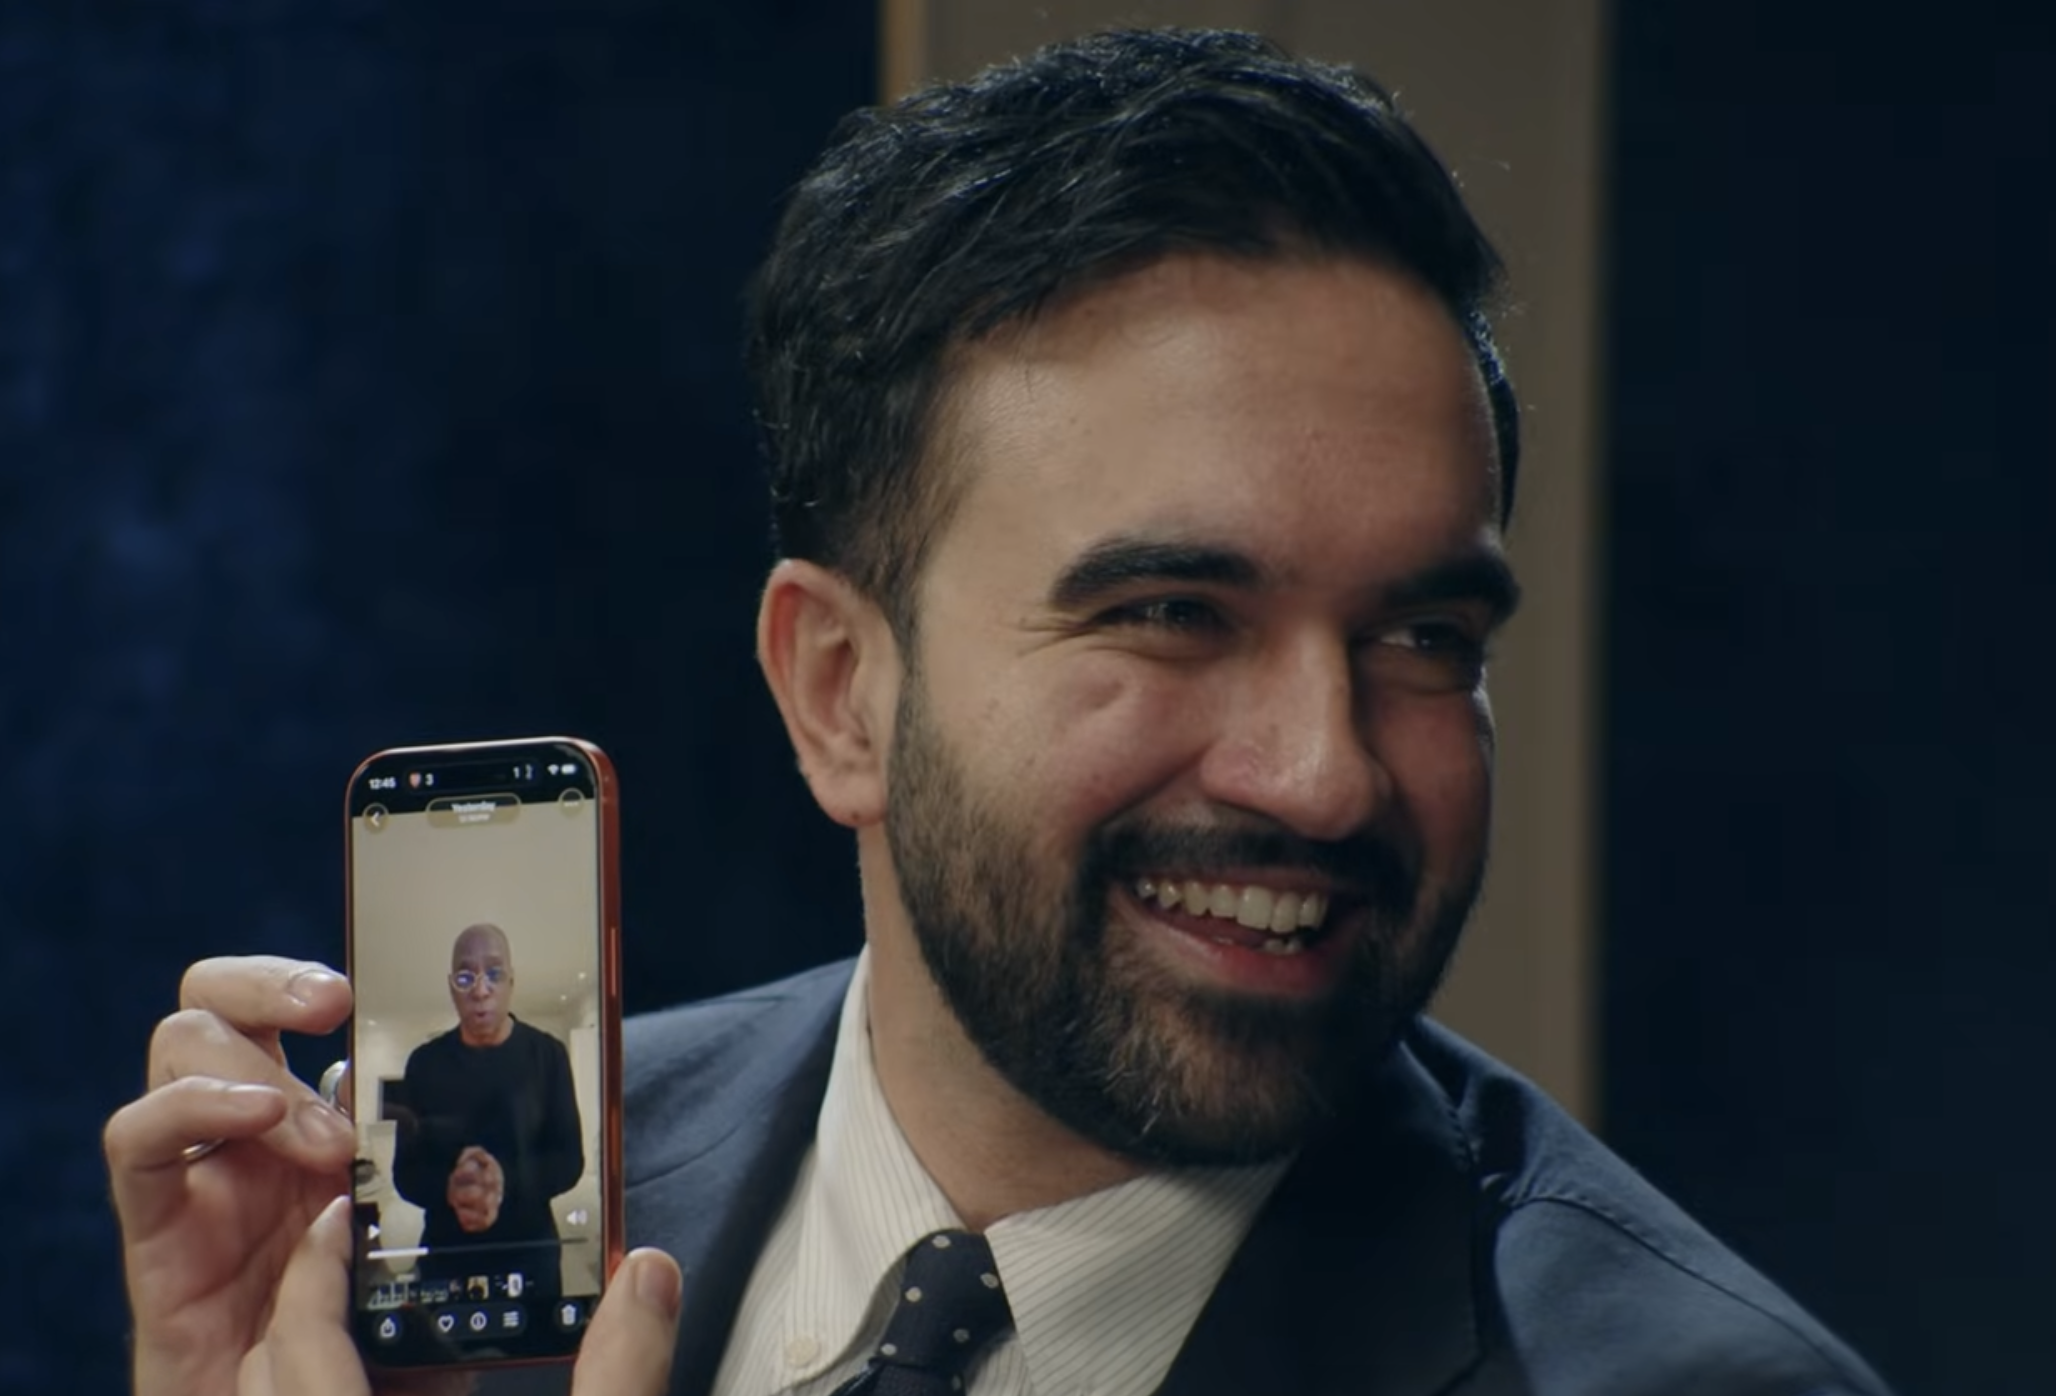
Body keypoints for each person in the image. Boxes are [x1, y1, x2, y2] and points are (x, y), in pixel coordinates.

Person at [106, 28, 1895, 1396]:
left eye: (1422, 636)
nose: (1327, 769)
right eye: (1172, 613)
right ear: (838, 693)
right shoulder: (470, 1232)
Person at [385, 924, 585, 1299]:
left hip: (531, 1253)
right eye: (465, 976)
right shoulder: (423, 1065)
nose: (480, 990)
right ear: (451, 987)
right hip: (446, 1255)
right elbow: (405, 1174)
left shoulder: (549, 1055)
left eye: (494, 973)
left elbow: (569, 1161)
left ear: (511, 980)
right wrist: (451, 1186)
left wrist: (504, 1180)